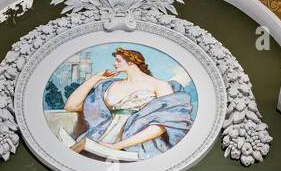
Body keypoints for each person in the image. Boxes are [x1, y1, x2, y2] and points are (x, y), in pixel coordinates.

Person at [63, 48, 194, 159]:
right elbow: (71, 106)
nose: (114, 64)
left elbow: (163, 124)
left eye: (118, 60)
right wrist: (95, 78)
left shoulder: (159, 85)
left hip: (138, 141)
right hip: (101, 135)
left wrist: (118, 146)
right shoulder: (109, 85)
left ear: (131, 62)